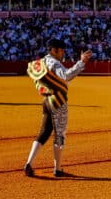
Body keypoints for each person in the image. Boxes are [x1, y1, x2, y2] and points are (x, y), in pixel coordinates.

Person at [24, 38, 92, 178]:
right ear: (54, 50)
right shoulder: (55, 63)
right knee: (60, 135)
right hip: (58, 101)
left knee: (44, 132)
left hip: (46, 100)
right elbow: (66, 76)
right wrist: (82, 62)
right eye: (61, 51)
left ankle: (28, 163)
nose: (63, 54)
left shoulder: (42, 61)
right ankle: (58, 168)